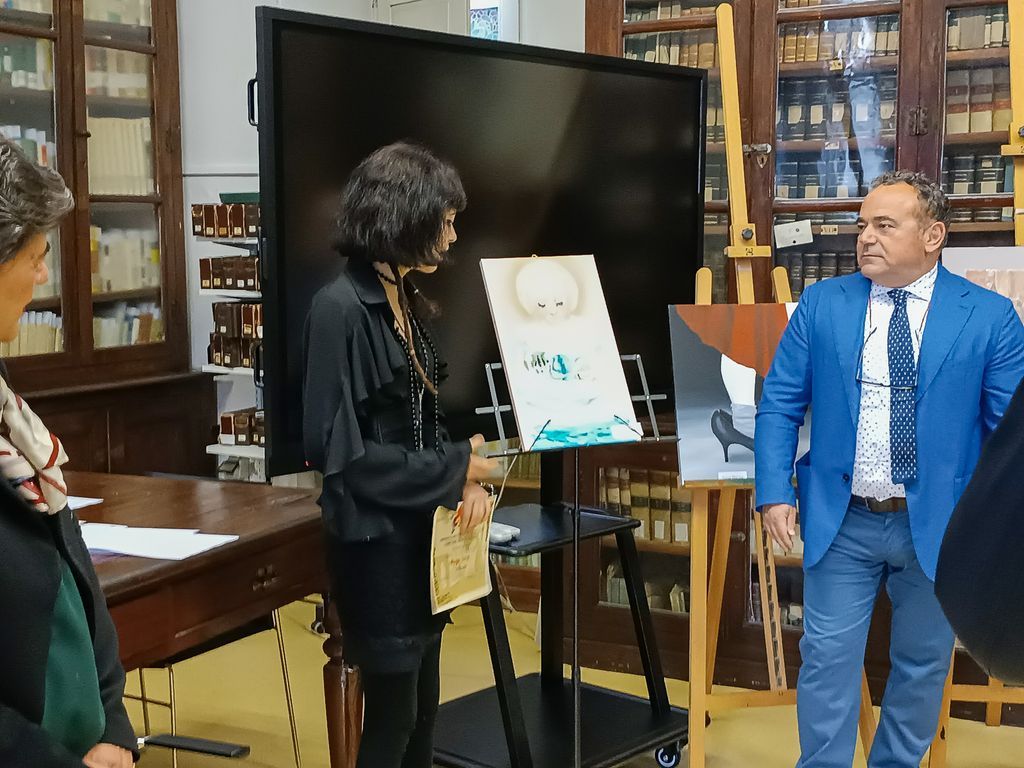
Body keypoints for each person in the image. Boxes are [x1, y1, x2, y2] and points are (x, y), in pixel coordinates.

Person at [754, 169, 1024, 768]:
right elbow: (779, 402)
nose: (865, 238)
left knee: (923, 665)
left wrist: (1001, 528)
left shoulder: (989, 317)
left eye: (883, 225)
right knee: (826, 659)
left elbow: (1012, 433)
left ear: (932, 235)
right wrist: (774, 492)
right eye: (861, 226)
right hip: (843, 519)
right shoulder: (823, 304)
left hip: (943, 527)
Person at [302, 142, 498, 768]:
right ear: (404, 217)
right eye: (445, 219)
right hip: (375, 546)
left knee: (425, 710)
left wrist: (463, 480)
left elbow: (424, 418)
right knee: (394, 719)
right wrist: (455, 468)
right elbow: (345, 458)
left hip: (422, 534)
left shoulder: (404, 297)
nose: (453, 234)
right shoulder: (337, 310)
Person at [0, 137, 136, 767]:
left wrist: (114, 727)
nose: (43, 277)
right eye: (35, 258)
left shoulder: (8, 407)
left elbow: (72, 571)